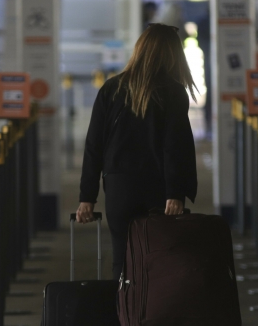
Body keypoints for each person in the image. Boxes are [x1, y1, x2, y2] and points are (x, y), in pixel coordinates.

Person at [76, 24, 198, 280]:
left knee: (122, 260)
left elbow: (93, 146)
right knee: (160, 258)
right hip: (158, 189)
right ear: (172, 55)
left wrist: (87, 197)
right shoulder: (173, 91)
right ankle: (152, 317)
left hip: (119, 188)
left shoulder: (111, 89)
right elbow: (174, 145)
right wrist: (175, 192)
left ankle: (124, 316)